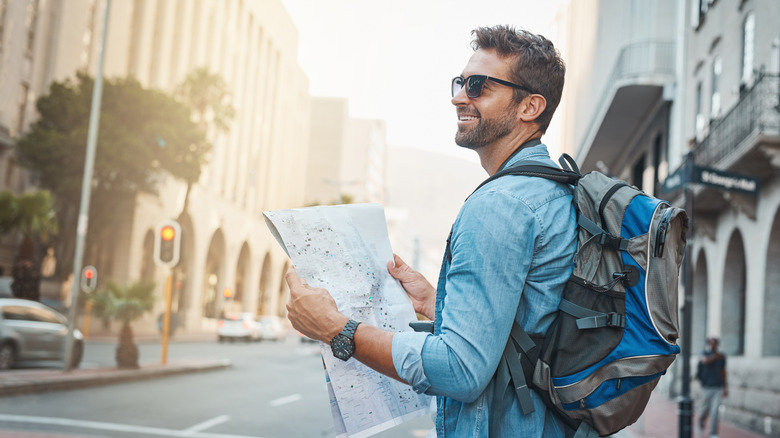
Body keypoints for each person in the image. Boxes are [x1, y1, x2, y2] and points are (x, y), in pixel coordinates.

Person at [285, 25, 576, 437]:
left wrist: (337, 328)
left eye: (478, 86)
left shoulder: (501, 204)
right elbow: (531, 330)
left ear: (530, 107)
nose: (459, 96)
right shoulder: (552, 189)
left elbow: (460, 370)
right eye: (460, 82)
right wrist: (438, 303)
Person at [697, 336, 728, 437]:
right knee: (703, 411)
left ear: (718, 344)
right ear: (709, 344)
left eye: (715, 343)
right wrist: (715, 356)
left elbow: (723, 372)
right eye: (711, 343)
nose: (713, 345)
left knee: (715, 412)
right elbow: (704, 361)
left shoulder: (722, 357)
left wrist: (725, 387)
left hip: (717, 387)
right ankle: (700, 427)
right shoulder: (705, 353)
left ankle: (713, 433)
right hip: (706, 387)